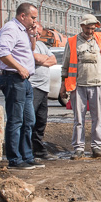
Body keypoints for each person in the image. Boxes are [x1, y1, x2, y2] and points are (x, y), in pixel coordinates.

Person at [60, 14, 101, 159]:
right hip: (78, 85)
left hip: (98, 84)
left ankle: (96, 147)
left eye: (93, 28)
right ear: (82, 26)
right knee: (79, 119)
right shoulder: (72, 42)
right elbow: (65, 66)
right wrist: (63, 86)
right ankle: (78, 148)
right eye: (88, 28)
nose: (90, 31)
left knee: (97, 118)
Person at [0, 2, 43, 171]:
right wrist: (19, 67)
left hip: (25, 81)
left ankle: (27, 156)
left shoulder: (23, 31)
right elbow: (2, 52)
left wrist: (32, 35)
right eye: (33, 17)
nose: (35, 21)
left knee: (29, 120)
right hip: (14, 79)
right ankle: (15, 159)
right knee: (16, 120)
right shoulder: (11, 28)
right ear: (23, 16)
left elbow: (29, 50)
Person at [31, 22, 58, 160]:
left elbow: (52, 60)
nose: (38, 35)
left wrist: (42, 61)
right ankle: (29, 151)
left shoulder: (41, 45)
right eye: (36, 32)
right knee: (31, 119)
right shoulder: (28, 44)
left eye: (39, 33)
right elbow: (33, 58)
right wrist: (41, 60)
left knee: (41, 120)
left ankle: (39, 150)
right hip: (33, 86)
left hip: (44, 88)